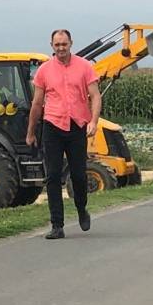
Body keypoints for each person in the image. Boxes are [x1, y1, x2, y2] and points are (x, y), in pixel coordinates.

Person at [26, 29, 101, 239]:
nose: (61, 48)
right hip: (53, 126)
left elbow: (95, 96)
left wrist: (93, 121)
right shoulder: (44, 71)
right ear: (51, 46)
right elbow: (37, 103)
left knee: (78, 174)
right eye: (57, 45)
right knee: (52, 176)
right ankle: (57, 224)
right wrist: (31, 132)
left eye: (64, 44)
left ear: (71, 44)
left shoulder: (84, 66)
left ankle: (81, 208)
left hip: (77, 126)